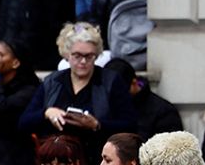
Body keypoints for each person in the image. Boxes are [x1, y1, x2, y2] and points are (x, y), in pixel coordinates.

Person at [22, 22, 129, 156]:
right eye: (77, 56)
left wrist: (97, 125)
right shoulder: (52, 82)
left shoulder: (111, 81)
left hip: (97, 156)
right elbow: (24, 123)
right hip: (57, 158)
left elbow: (129, 125)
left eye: (89, 56)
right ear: (67, 55)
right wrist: (47, 112)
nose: (83, 62)